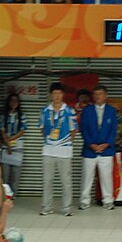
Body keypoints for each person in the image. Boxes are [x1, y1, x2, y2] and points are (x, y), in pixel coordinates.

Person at [39, 82, 77, 217]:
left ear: (63, 95)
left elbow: (74, 131)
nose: (57, 96)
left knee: (66, 180)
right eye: (54, 93)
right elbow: (42, 129)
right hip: (48, 150)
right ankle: (47, 207)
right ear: (51, 95)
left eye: (59, 93)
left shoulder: (69, 110)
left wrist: (65, 143)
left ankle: (67, 207)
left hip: (64, 151)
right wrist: (50, 141)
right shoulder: (45, 111)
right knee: (47, 179)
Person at [79, 84, 118, 211]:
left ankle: (108, 200)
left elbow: (113, 130)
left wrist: (106, 144)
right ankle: (85, 201)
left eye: (100, 94)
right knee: (87, 177)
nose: (97, 97)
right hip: (90, 150)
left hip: (106, 150)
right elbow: (83, 129)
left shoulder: (111, 111)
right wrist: (92, 144)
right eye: (95, 94)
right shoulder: (87, 110)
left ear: (106, 96)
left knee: (106, 177)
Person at [0, 93, 27, 191]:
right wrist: (7, 143)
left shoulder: (21, 115)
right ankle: (5, 194)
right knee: (5, 173)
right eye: (11, 101)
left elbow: (22, 130)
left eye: (16, 101)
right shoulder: (3, 115)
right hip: (6, 148)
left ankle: (13, 195)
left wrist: (11, 139)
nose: (13, 103)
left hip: (18, 147)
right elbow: (2, 130)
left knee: (15, 174)